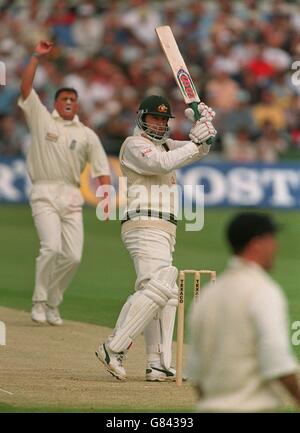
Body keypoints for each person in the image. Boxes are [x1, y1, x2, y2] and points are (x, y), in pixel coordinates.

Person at [95, 94, 217, 381]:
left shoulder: (166, 144)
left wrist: (206, 127)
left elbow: (195, 151)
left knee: (166, 294)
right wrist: (197, 143)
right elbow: (163, 163)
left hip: (165, 228)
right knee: (158, 288)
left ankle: (158, 363)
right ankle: (113, 347)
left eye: (164, 119)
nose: (160, 124)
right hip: (144, 223)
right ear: (142, 118)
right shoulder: (134, 144)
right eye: (155, 118)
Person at [18, 41, 111, 326]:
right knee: (52, 249)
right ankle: (38, 301)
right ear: (57, 103)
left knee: (72, 256)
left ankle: (53, 303)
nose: (69, 102)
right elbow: (25, 88)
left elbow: (100, 168)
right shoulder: (41, 119)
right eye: (64, 99)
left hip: (71, 195)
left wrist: (107, 198)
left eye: (73, 99)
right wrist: (35, 57)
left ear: (77, 104)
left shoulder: (86, 134)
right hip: (44, 191)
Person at [187, 212, 300, 412]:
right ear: (257, 244)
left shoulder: (207, 294)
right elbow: (276, 359)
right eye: (271, 239)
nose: (276, 246)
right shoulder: (263, 290)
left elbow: (196, 372)